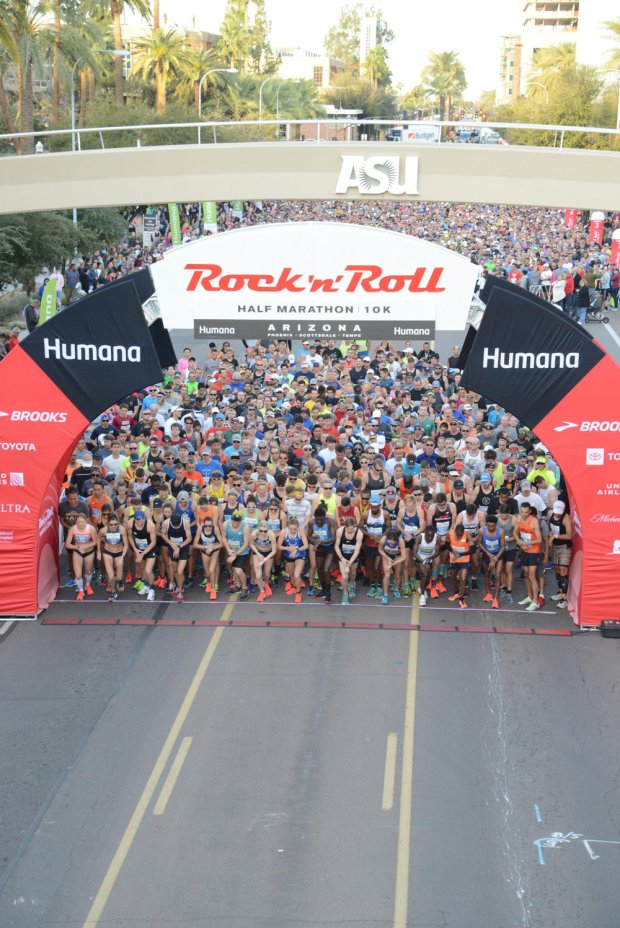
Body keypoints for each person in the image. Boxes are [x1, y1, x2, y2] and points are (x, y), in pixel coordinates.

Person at [515, 502, 543, 611]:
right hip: (524, 550)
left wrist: (524, 544)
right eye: (522, 512)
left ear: (530, 511)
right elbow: (515, 532)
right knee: (526, 574)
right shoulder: (519, 518)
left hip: (534, 550)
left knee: (532, 575)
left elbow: (539, 539)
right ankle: (530, 596)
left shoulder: (534, 521)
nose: (524, 514)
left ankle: (536, 601)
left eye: (526, 512)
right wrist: (519, 542)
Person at [64, 514, 97, 601]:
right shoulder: (73, 529)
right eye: (78, 522)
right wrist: (77, 547)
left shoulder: (91, 529)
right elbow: (67, 544)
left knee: (88, 571)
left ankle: (87, 585)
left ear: (86, 521)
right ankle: (81, 590)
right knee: (78, 575)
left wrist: (85, 547)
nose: (80, 524)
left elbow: (95, 542)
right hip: (77, 552)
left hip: (89, 552)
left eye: (82, 522)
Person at [547, 501, 572, 610]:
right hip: (555, 546)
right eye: (556, 512)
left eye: (559, 512)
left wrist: (555, 536)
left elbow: (569, 536)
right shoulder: (551, 514)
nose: (557, 514)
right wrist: (551, 535)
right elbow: (550, 529)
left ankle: (565, 599)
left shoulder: (566, 518)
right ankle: (560, 592)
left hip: (565, 547)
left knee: (563, 571)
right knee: (557, 571)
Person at [127, 510, 157, 601]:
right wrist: (135, 549)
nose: (140, 522)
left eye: (141, 520)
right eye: (137, 520)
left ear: (144, 518)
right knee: (143, 568)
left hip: (150, 549)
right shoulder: (130, 524)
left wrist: (144, 553)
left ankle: (152, 590)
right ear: (134, 519)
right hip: (139, 548)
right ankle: (147, 585)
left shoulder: (150, 525)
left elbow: (153, 542)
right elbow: (129, 537)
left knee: (148, 570)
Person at [98, 514, 128, 601]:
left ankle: (120, 581)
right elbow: (98, 539)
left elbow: (126, 544)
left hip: (119, 552)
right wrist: (99, 552)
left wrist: (122, 556)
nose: (113, 526)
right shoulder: (103, 531)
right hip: (108, 552)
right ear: (107, 524)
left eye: (115, 524)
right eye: (111, 524)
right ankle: (113, 592)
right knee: (110, 576)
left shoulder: (122, 530)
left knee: (119, 576)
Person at [193, 513, 222, 600]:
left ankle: (213, 590)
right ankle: (209, 583)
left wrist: (212, 547)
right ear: (203, 524)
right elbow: (195, 544)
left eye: (209, 526)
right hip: (204, 551)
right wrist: (205, 547)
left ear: (212, 525)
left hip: (214, 550)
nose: (208, 527)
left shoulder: (215, 529)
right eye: (206, 526)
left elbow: (221, 544)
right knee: (207, 573)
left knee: (211, 569)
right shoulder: (200, 529)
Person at [334, 517, 363, 605]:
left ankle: (351, 584)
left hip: (353, 556)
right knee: (344, 576)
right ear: (345, 526)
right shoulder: (339, 531)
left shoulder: (359, 533)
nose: (351, 530)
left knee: (353, 573)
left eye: (353, 528)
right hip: (342, 556)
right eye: (349, 529)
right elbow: (336, 546)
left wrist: (349, 563)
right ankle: (345, 593)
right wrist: (342, 558)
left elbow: (357, 551)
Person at [279, 516, 308, 604]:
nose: (293, 530)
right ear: (288, 527)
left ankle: (298, 593)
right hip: (289, 555)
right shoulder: (284, 532)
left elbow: (306, 545)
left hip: (300, 554)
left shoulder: (300, 531)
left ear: (298, 527)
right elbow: (279, 546)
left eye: (295, 529)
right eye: (291, 528)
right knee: (291, 574)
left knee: (296, 574)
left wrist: (296, 549)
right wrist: (286, 548)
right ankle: (294, 585)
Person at [223, 512, 251, 600]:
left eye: (237, 523)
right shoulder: (225, 524)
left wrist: (235, 554)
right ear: (230, 520)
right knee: (234, 568)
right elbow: (223, 537)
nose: (235, 525)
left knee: (238, 570)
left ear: (241, 521)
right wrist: (228, 550)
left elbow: (246, 543)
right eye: (233, 522)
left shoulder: (245, 527)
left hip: (242, 550)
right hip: (231, 549)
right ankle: (238, 586)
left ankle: (245, 588)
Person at [479, 514, 505, 608]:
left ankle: (496, 598)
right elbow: (479, 543)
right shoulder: (482, 530)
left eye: (493, 526)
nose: (491, 528)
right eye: (489, 526)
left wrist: (495, 558)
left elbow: (503, 547)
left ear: (496, 525)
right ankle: (488, 593)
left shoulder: (501, 532)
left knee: (498, 576)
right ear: (486, 524)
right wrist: (489, 555)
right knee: (487, 574)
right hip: (487, 554)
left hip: (498, 554)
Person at [249, 520, 277, 602]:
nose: (263, 533)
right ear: (258, 529)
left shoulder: (271, 535)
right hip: (258, 552)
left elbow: (274, 550)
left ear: (268, 529)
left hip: (269, 553)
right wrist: (258, 554)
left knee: (267, 573)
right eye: (261, 531)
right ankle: (262, 591)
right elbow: (251, 544)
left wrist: (264, 560)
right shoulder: (254, 534)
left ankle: (266, 583)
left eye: (265, 531)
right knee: (258, 576)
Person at [378, 529, 406, 605]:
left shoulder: (401, 541)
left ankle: (396, 589)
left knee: (397, 575)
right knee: (387, 575)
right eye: (389, 543)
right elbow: (380, 550)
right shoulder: (383, 539)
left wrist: (393, 563)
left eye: (392, 544)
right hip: (387, 555)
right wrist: (388, 558)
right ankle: (385, 595)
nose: (390, 545)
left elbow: (404, 557)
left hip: (397, 556)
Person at [413, 526, 440, 606]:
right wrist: (423, 561)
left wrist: (430, 558)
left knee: (428, 578)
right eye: (428, 536)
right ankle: (421, 597)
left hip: (429, 559)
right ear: (424, 533)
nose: (429, 538)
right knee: (424, 573)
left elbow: (437, 552)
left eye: (431, 536)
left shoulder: (437, 538)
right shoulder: (419, 537)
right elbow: (414, 552)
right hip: (419, 559)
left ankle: (422, 588)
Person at [447, 522, 471, 608]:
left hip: (464, 560)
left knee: (463, 578)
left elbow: (473, 550)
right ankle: (457, 592)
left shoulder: (467, 535)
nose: (459, 536)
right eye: (458, 535)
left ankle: (462, 598)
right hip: (454, 560)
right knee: (453, 576)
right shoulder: (450, 533)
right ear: (455, 531)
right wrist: (453, 552)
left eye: (461, 535)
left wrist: (461, 554)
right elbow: (446, 544)